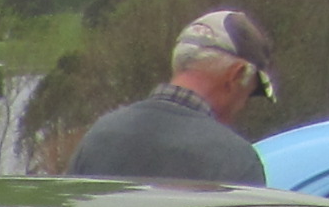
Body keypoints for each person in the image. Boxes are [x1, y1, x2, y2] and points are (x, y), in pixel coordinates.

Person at [65, 10, 277, 187]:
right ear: (236, 75)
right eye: (248, 95)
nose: (242, 107)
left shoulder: (99, 136)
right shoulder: (236, 160)